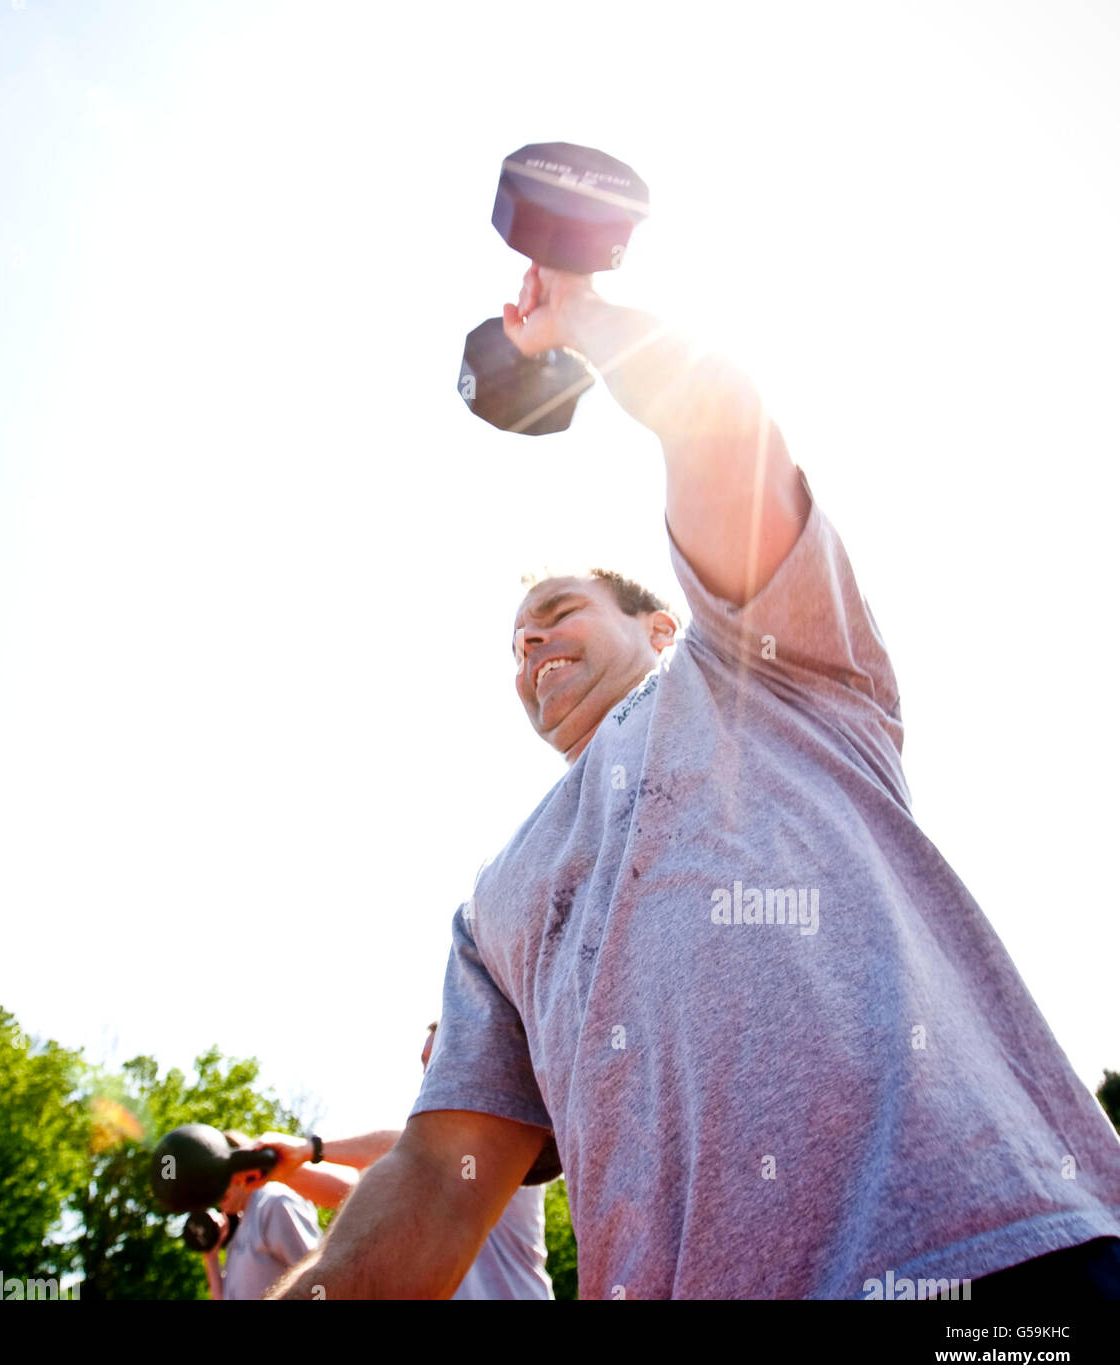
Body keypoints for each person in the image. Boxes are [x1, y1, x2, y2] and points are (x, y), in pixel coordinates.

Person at [268, 260, 1120, 1300]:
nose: (533, 642)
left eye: (561, 612)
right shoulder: (492, 902)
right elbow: (438, 1182)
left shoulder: (768, 665)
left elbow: (718, 420)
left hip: (997, 1256)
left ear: (658, 623)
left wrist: (584, 319)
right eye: (515, 640)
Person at [256, 1023, 553, 1300]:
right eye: (424, 1061)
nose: (429, 1072)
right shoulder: (422, 1160)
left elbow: (425, 1154)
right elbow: (350, 1195)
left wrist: (312, 1149)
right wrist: (283, 1170)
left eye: (439, 1057)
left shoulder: (505, 1126)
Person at [199, 1129, 355, 1300]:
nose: (213, 1191)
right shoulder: (239, 1229)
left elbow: (321, 1281)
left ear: (241, 1166)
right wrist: (211, 1255)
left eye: (217, 1177)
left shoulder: (274, 1204)